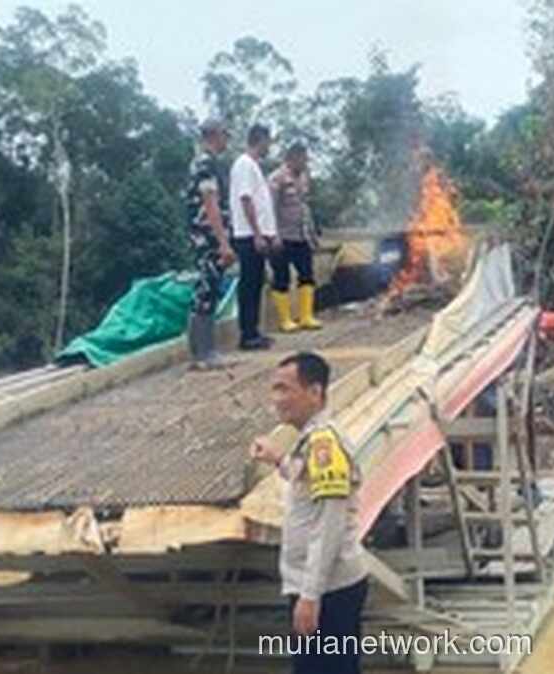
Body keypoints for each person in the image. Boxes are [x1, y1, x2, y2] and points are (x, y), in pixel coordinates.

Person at [250, 352, 368, 674]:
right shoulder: (313, 441)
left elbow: (329, 523)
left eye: (285, 389)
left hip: (329, 589)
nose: (277, 399)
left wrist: (310, 595)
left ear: (315, 392)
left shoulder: (324, 444)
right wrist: (279, 461)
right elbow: (308, 481)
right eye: (275, 389)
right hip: (323, 584)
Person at [184, 118, 236, 369]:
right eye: (226, 134)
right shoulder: (205, 164)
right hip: (207, 235)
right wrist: (223, 242)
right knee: (206, 289)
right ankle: (202, 353)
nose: (227, 139)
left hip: (209, 233)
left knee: (211, 289)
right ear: (215, 135)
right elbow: (210, 204)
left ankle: (205, 351)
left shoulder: (208, 163)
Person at [230, 124, 281, 351]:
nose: (269, 147)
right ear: (260, 140)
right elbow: (245, 200)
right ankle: (247, 335)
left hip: (256, 234)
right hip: (248, 235)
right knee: (249, 284)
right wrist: (258, 234)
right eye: (268, 142)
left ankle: (254, 331)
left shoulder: (253, 166)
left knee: (256, 283)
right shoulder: (244, 165)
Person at [267, 142, 322, 332]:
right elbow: (270, 209)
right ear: (291, 158)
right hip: (282, 236)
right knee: (281, 277)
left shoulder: (304, 178)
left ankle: (306, 316)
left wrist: (313, 234)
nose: (305, 163)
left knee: (307, 275)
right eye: (302, 159)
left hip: (302, 235)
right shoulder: (276, 179)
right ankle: (285, 320)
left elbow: (305, 208)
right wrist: (273, 235)